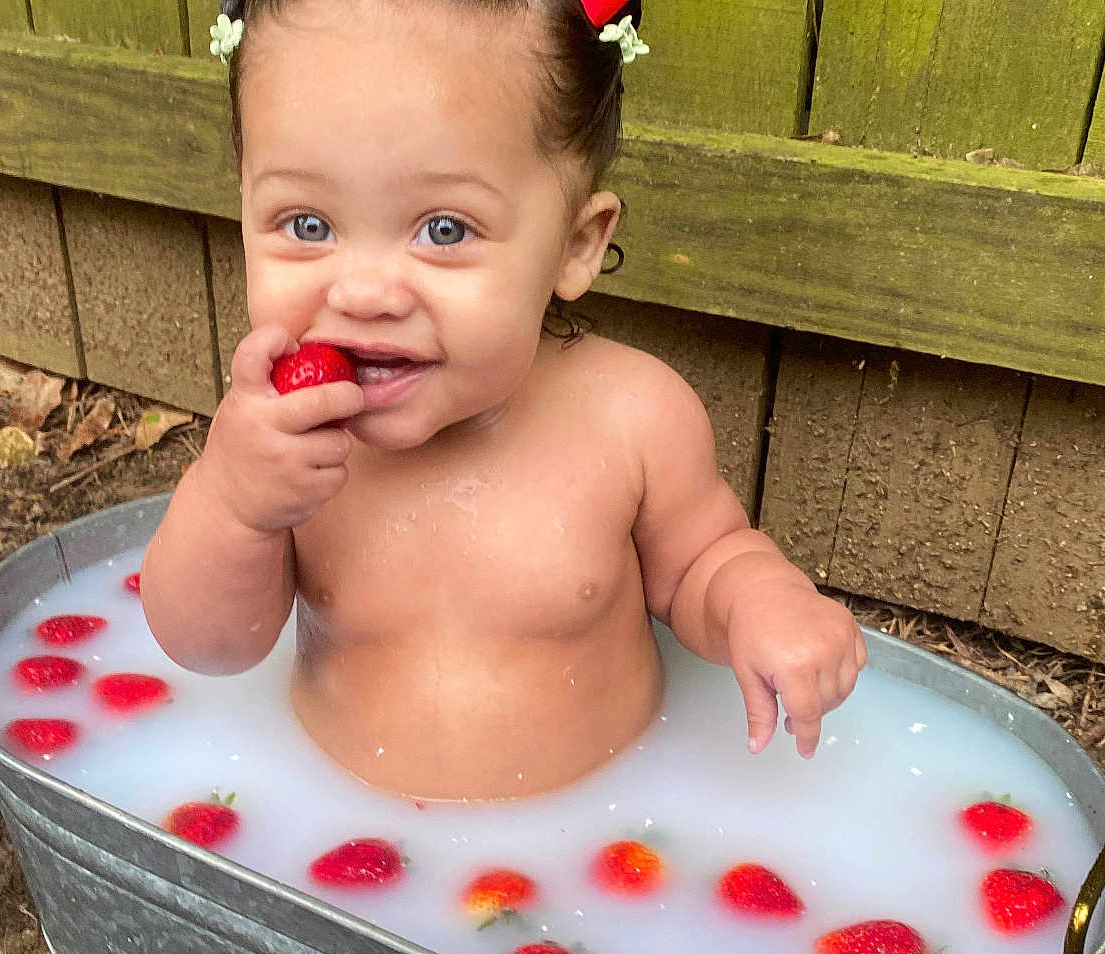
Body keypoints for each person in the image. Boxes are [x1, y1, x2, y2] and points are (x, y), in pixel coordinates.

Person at [141, 0, 866, 802]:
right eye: (307, 223)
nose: (365, 290)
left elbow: (702, 564)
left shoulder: (633, 418)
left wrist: (763, 601)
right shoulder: (287, 448)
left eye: (444, 230)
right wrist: (236, 507)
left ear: (575, 243)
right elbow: (208, 650)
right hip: (346, 837)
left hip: (604, 837)